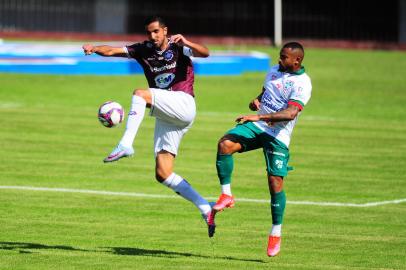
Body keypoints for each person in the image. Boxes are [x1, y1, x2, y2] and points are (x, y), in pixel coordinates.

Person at [82, 16, 215, 235]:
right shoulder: (143, 49)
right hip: (168, 115)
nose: (152, 36)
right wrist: (94, 47)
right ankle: (205, 208)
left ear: (165, 31)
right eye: (149, 33)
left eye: (156, 32)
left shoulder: (178, 47)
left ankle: (126, 144)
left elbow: (206, 53)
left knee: (140, 94)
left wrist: (187, 43)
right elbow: (112, 51)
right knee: (163, 173)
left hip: (183, 102)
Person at [207, 42, 312, 257]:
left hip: (278, 135)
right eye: (280, 56)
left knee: (275, 183)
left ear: (297, 60)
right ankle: (226, 195)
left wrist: (259, 116)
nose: (279, 60)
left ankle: (275, 233)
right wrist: (256, 101)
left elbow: (291, 113)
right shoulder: (273, 71)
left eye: (283, 57)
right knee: (224, 144)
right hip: (258, 126)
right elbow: (265, 93)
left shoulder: (302, 83)